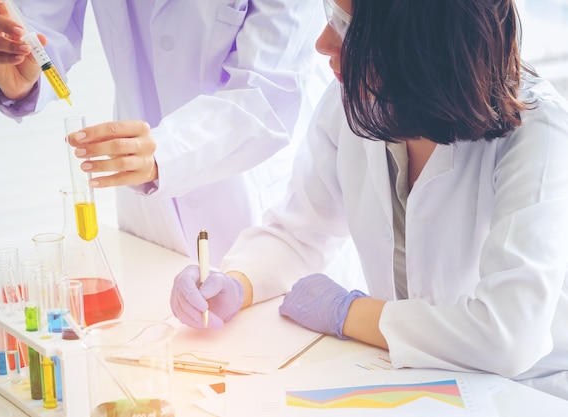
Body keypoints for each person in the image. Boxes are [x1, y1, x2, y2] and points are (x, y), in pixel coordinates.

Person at [170, 0, 568, 400]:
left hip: (531, 391)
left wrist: (348, 312)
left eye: (346, 26)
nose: (323, 43)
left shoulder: (536, 128)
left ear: (421, 39)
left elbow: (508, 334)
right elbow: (298, 234)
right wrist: (235, 283)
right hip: (418, 378)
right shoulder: (357, 101)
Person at [0, 0, 330, 267]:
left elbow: (267, 93)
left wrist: (164, 154)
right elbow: (28, 25)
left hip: (255, 188)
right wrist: (19, 71)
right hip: (146, 205)